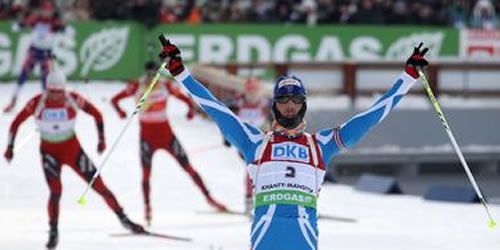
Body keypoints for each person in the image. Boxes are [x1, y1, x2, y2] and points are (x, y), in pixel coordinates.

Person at [158, 38, 429, 249]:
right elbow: (215, 108)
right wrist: (180, 73)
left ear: (304, 105)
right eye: (284, 101)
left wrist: (407, 78)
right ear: (274, 105)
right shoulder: (255, 141)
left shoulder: (321, 144)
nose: (289, 108)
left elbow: (370, 117)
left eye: (296, 101)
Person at [3, 69, 145, 250]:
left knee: (99, 185)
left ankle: (124, 219)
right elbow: (15, 123)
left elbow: (97, 114)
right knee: (55, 192)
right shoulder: (37, 102)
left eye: (59, 92)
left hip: (73, 151)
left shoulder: (72, 99)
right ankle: (53, 231)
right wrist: (9, 148)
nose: (56, 96)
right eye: (52, 92)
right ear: (47, 89)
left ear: (64, 89)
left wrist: (101, 140)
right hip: (49, 153)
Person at [110, 61, 228, 225]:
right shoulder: (137, 85)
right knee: (145, 174)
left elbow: (184, 98)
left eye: (155, 75)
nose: (153, 78)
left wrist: (190, 111)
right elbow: (114, 100)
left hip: (167, 136)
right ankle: (147, 209)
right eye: (150, 75)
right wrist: (120, 111)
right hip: (147, 138)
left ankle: (210, 198)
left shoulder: (165, 85)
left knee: (188, 167)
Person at [4, 1, 66, 113]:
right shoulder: (36, 19)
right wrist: (20, 25)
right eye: (45, 11)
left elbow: (65, 31)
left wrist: (62, 29)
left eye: (49, 11)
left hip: (47, 54)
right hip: (34, 51)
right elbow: (22, 24)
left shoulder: (54, 22)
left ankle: (46, 103)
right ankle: (13, 101)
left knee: (46, 81)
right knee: (22, 77)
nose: (47, 13)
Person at [223, 77, 271, 214]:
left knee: (262, 170)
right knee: (252, 169)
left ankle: (264, 200)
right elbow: (227, 121)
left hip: (262, 141)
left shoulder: (266, 103)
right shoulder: (237, 102)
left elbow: (275, 122)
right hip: (244, 142)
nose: (253, 95)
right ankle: (250, 202)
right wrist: (227, 137)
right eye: (250, 91)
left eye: (255, 91)